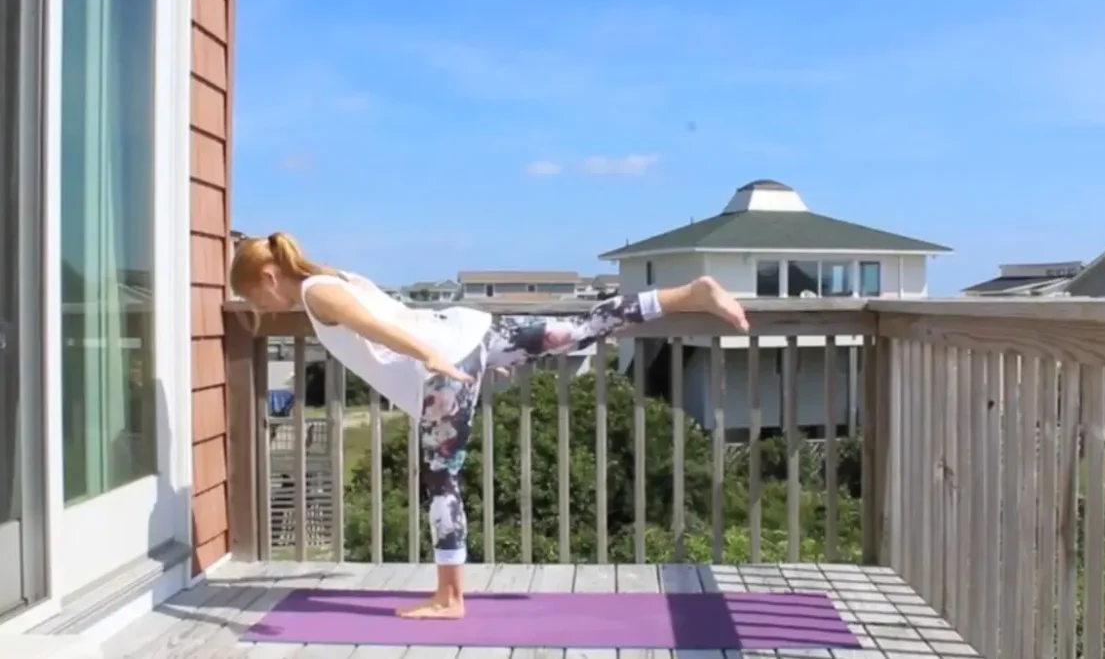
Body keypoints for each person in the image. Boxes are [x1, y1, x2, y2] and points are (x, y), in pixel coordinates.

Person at [229, 232, 750, 620]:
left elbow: (380, 328)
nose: (261, 307)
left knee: (441, 482)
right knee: (579, 329)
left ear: (270, 277)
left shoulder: (319, 294)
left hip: (441, 370)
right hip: (470, 334)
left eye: (256, 297)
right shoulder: (335, 277)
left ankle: (449, 596)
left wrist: (433, 359)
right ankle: (690, 294)